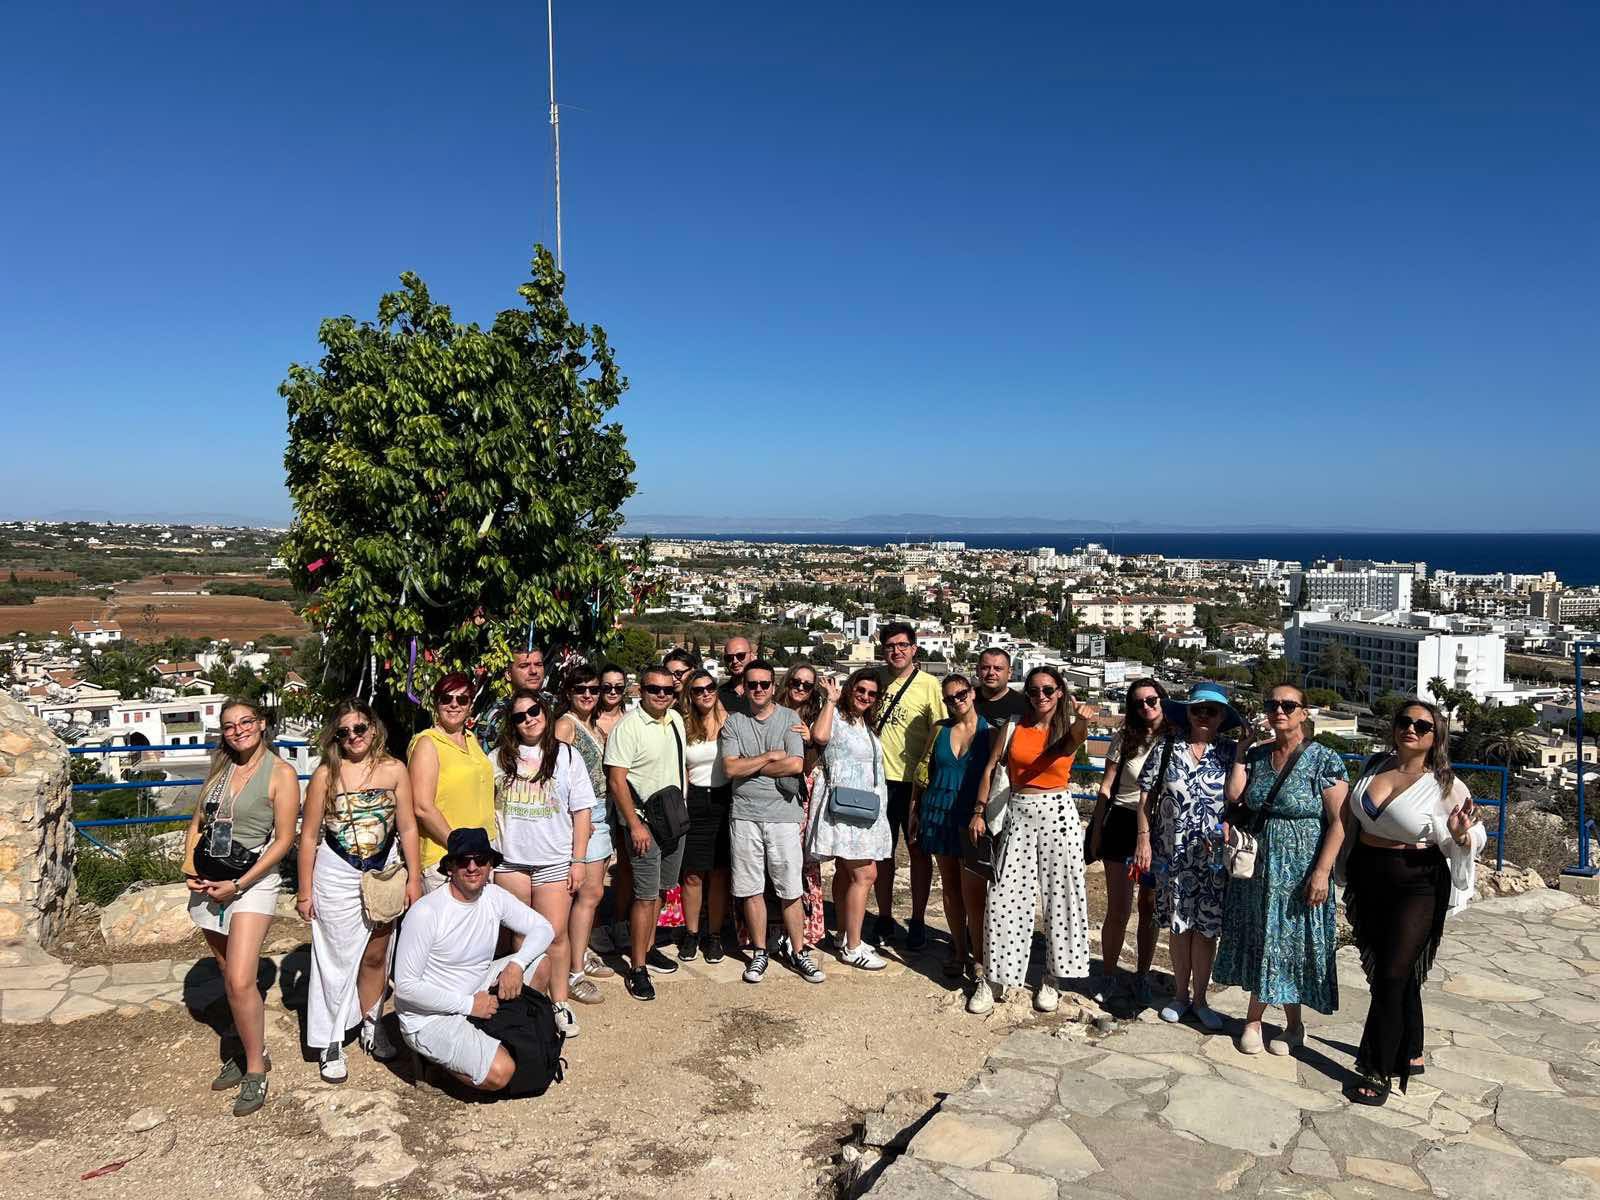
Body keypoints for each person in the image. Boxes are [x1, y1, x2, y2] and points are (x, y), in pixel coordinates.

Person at [1343, 700, 1484, 1106]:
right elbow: (1352, 820)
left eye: (1423, 726)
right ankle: (1412, 1048)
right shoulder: (1373, 766)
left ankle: (1377, 1066)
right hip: (1368, 874)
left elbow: (1475, 835)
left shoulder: (1446, 784)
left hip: (1417, 881)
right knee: (1389, 970)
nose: (1411, 729)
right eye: (1405, 721)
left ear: (1436, 737)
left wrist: (1460, 834)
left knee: (1392, 974)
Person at [1215, 684, 1350, 1055]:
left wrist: (1322, 872)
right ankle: (1278, 1024)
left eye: (1288, 705)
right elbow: (1235, 796)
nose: (1279, 710)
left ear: (1304, 713)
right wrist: (1241, 752)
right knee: (1265, 937)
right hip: (1259, 867)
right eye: (1272, 704)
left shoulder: (1325, 759)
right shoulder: (1259, 756)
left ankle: (1268, 1022)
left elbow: (1339, 822)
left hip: (1301, 867)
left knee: (1289, 941)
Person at [182, 697, 301, 1116]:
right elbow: (198, 823)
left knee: (238, 979)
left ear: (262, 723)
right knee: (224, 969)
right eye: (230, 726)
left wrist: (239, 884)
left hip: (252, 882)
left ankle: (255, 1068)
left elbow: (284, 840)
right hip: (209, 880)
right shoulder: (220, 769)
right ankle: (246, 1041)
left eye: (246, 722)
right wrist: (189, 868)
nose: (239, 731)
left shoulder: (281, 773)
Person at [297, 701, 423, 1083]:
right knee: (334, 958)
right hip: (336, 874)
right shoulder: (325, 775)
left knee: (377, 954)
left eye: (360, 728)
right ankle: (331, 1038)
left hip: (384, 871)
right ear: (335, 737)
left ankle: (372, 1022)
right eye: (344, 731)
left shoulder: (395, 769)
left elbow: (408, 827)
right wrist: (304, 892)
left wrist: (414, 878)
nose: (354, 737)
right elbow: (308, 837)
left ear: (373, 727)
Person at [393, 828, 556, 1095]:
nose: (472, 867)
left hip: (477, 989)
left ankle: (509, 1033)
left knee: (540, 963)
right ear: (450, 868)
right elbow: (406, 988)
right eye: (463, 861)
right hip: (430, 1015)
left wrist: (516, 965)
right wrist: (469, 1005)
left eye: (480, 860)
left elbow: (544, 928)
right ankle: (437, 1065)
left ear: (490, 865)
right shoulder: (426, 912)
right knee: (502, 1073)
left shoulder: (494, 896)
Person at [970, 666, 1092, 1013]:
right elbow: (991, 767)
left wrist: (1082, 719)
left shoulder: (1067, 727)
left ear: (1060, 692)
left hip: (1058, 812)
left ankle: (1053, 978)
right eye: (1035, 690)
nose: (1041, 696)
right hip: (1019, 811)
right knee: (1003, 896)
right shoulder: (1013, 726)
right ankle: (995, 977)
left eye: (1048, 690)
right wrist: (979, 810)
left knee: (1062, 896)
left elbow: (1073, 741)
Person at [1134, 682, 1243, 1031]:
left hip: (1213, 857)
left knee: (1206, 929)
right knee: (1179, 925)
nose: (1204, 716)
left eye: (1212, 710)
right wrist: (1143, 841)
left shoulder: (1230, 753)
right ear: (1188, 712)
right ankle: (1181, 995)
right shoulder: (1168, 747)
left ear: (1222, 716)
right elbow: (1145, 798)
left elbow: (1239, 799)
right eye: (1198, 709)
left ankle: (1200, 999)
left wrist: (1245, 748)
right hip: (1173, 853)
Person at [492, 690, 595, 1039]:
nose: (529, 719)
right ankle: (527, 1002)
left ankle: (559, 1001)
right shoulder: (497, 759)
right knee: (521, 937)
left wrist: (579, 860)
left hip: (554, 860)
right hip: (511, 861)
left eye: (534, 711)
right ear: (512, 724)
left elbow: (582, 811)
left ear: (545, 712)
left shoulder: (567, 756)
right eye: (519, 716)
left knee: (555, 934)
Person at [720, 658, 824, 984]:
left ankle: (799, 951)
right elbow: (730, 769)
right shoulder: (735, 722)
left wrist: (749, 765)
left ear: (773, 686)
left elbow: (795, 765)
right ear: (745, 687)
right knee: (751, 888)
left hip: (783, 815)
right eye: (752, 684)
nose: (759, 689)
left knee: (790, 888)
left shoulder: (789, 718)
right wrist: (768, 757)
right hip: (745, 815)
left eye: (764, 684)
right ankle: (760, 951)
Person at [603, 665, 689, 1000]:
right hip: (644, 824)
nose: (662, 695)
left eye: (668, 690)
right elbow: (616, 781)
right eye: (655, 689)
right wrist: (635, 825)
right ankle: (637, 967)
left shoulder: (675, 720)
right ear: (641, 690)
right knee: (645, 895)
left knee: (663, 889)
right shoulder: (628, 727)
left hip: (673, 821)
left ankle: (648, 946)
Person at [1083, 678, 1168, 1006]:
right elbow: (1107, 785)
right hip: (1122, 821)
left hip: (1159, 826)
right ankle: (1109, 974)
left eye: (1151, 700)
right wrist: (1097, 829)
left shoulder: (1175, 739)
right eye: (1138, 702)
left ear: (1162, 699)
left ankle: (1142, 975)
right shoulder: (1125, 738)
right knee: (1118, 908)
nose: (1146, 706)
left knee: (1150, 905)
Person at [909, 673, 992, 980]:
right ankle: (959, 950)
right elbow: (922, 770)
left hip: (972, 818)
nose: (956, 701)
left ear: (973, 693)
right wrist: (914, 811)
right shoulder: (939, 729)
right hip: (938, 813)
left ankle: (979, 956)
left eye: (961, 694)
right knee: (950, 888)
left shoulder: (991, 733)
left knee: (974, 892)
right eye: (949, 698)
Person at [870, 622, 946, 951]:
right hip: (877, 782)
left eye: (903, 645)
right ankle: (884, 916)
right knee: (882, 853)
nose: (896, 651)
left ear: (914, 649)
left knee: (918, 851)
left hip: (914, 784)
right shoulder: (874, 679)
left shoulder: (929, 685)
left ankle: (917, 920)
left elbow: (940, 730)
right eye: (890, 645)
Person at [808, 669, 891, 970]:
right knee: (866, 875)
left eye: (872, 693)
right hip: (846, 807)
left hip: (862, 809)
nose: (865, 696)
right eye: (861, 689)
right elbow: (819, 737)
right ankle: (853, 947)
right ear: (850, 688)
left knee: (846, 873)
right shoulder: (836, 716)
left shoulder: (865, 723)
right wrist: (830, 701)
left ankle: (844, 935)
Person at [553, 664, 619, 1003]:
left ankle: (580, 954)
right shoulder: (566, 725)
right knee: (587, 893)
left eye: (595, 689)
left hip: (601, 812)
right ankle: (573, 971)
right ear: (569, 693)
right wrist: (574, 817)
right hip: (584, 815)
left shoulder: (592, 724)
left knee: (590, 894)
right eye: (581, 689)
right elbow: (554, 775)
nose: (589, 695)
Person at [410, 673, 496, 892]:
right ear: (436, 703)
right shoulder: (427, 743)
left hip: (481, 857)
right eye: (446, 698)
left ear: (470, 706)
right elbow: (422, 807)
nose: (454, 705)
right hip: (447, 858)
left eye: (462, 699)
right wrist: (459, 847)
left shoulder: (471, 739)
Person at [676, 668, 733, 962]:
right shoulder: (683, 725)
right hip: (695, 800)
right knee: (693, 874)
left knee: (719, 873)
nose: (705, 693)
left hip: (725, 799)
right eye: (698, 690)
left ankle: (714, 935)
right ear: (690, 695)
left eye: (710, 687)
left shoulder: (730, 722)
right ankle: (692, 933)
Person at [777, 659, 829, 951]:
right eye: (796, 682)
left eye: (807, 685)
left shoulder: (815, 717)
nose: (800, 688)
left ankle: (806, 928)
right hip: (773, 792)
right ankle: (776, 927)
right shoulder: (772, 711)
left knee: (803, 861)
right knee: (778, 859)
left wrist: (810, 741)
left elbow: (818, 754)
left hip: (804, 793)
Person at [477, 647, 555, 752]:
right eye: (524, 666)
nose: (533, 671)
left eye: (538, 664)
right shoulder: (496, 715)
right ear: (509, 675)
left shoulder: (552, 702)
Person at [972, 647, 1028, 723]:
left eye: (998, 668)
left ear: (1009, 673)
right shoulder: (964, 701)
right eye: (985, 668)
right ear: (977, 670)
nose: (991, 673)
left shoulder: (1024, 706)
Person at [718, 636, 754, 717]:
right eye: (729, 657)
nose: (735, 661)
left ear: (752, 656)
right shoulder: (717, 696)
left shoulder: (765, 691)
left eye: (740, 655)